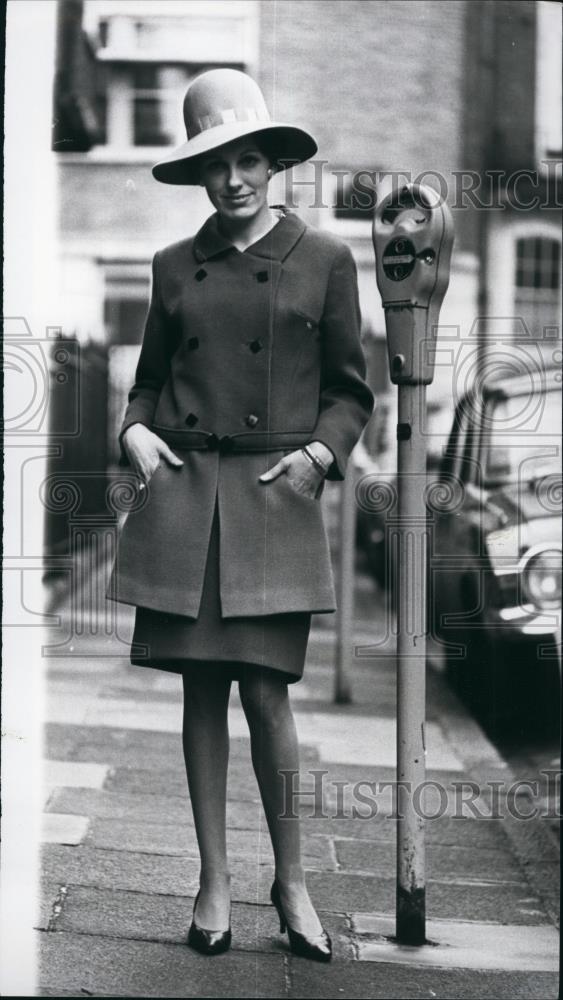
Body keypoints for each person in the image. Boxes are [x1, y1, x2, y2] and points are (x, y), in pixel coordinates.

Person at [107, 68, 374, 961]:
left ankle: (290, 881)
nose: (235, 180)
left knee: (266, 697)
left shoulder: (327, 260)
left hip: (271, 497)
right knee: (200, 694)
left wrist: (318, 454)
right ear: (200, 172)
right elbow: (146, 381)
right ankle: (213, 881)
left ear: (272, 163)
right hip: (188, 495)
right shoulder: (172, 264)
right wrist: (133, 432)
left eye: (249, 160)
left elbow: (350, 391)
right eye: (218, 164)